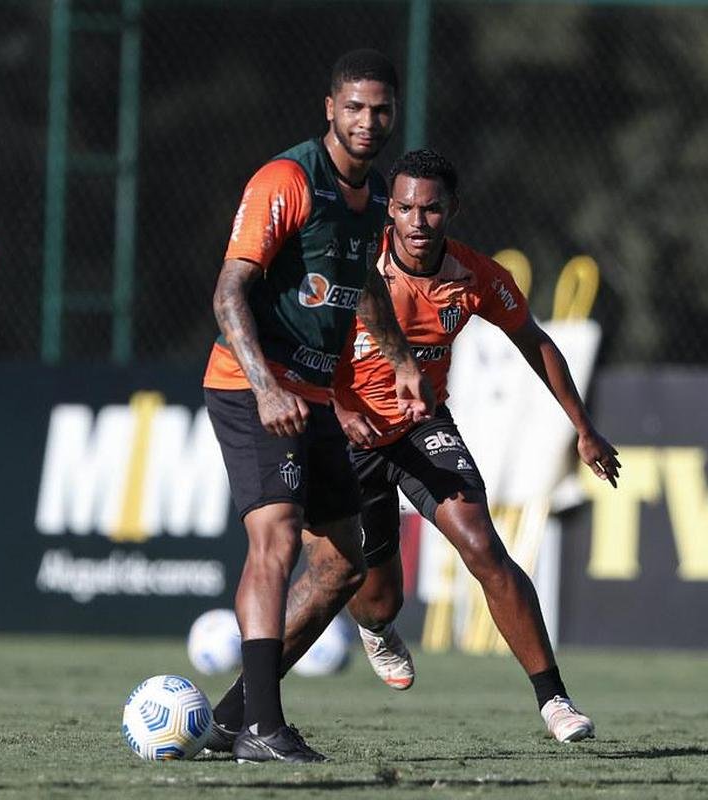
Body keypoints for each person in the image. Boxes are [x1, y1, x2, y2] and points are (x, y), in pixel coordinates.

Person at [210, 148, 622, 746]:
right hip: (345, 436)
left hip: (419, 427)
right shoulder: (356, 265)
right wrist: (341, 406)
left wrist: (583, 428)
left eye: (430, 210)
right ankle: (350, 644)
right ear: (389, 210)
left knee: (483, 546)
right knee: (372, 596)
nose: (416, 223)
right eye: (403, 208)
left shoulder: (476, 276)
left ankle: (554, 700)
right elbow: (309, 342)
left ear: (451, 210)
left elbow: (536, 342)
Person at [202, 49, 432, 763]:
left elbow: (362, 287)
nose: (369, 121)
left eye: (381, 109)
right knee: (273, 543)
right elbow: (229, 291)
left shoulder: (375, 198)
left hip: (314, 397)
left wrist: (397, 361)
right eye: (355, 107)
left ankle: (233, 716)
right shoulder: (288, 179)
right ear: (330, 109)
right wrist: (268, 387)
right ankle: (264, 729)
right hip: (253, 390)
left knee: (342, 564)